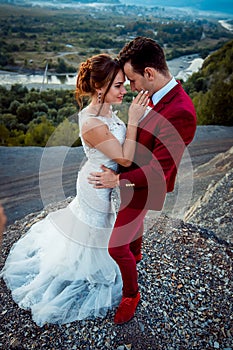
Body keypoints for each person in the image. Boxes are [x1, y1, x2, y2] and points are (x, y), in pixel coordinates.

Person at [0, 53, 149, 326]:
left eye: (123, 83)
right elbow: (125, 159)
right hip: (95, 187)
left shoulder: (105, 111)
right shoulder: (91, 122)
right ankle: (87, 269)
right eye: (117, 85)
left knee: (103, 226)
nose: (124, 89)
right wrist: (135, 119)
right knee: (94, 231)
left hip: (103, 181)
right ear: (99, 88)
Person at [88, 37, 197, 324]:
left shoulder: (181, 112)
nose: (130, 87)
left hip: (143, 184)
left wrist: (117, 178)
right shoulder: (155, 93)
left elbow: (158, 172)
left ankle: (131, 294)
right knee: (132, 232)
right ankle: (135, 254)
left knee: (115, 247)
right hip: (131, 175)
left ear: (149, 73)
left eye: (132, 80)